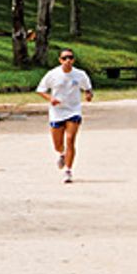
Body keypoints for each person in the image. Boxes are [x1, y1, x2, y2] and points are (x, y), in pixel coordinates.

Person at [36, 48, 93, 183]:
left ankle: (68, 171)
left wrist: (89, 95)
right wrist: (50, 99)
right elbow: (40, 90)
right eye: (64, 58)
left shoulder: (80, 74)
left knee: (70, 139)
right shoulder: (53, 74)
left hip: (73, 110)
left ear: (73, 59)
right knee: (58, 144)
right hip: (57, 111)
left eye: (70, 57)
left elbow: (88, 88)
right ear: (60, 60)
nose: (68, 60)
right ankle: (62, 154)